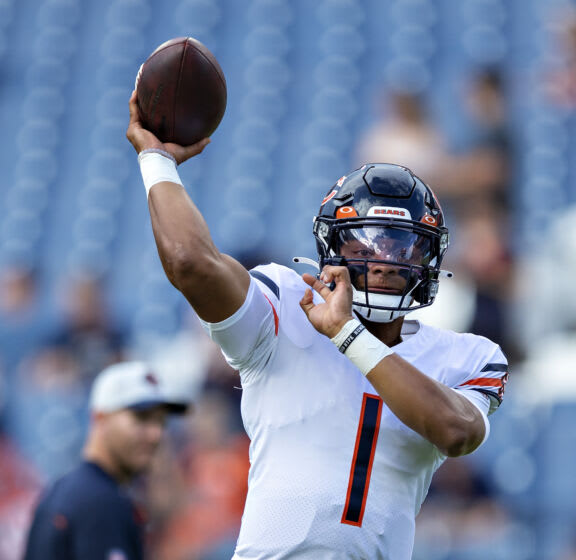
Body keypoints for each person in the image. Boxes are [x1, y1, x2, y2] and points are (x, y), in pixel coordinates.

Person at [126, 88, 509, 558]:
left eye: (402, 245)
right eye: (365, 244)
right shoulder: (285, 304)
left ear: (430, 259)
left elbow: (457, 431)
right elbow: (189, 262)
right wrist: (157, 160)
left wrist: (347, 334)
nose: (385, 261)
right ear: (332, 249)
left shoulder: (467, 356)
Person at [22, 361, 189, 560]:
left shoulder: (65, 489)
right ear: (100, 419)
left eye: (161, 421)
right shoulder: (101, 503)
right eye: (142, 418)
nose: (156, 434)